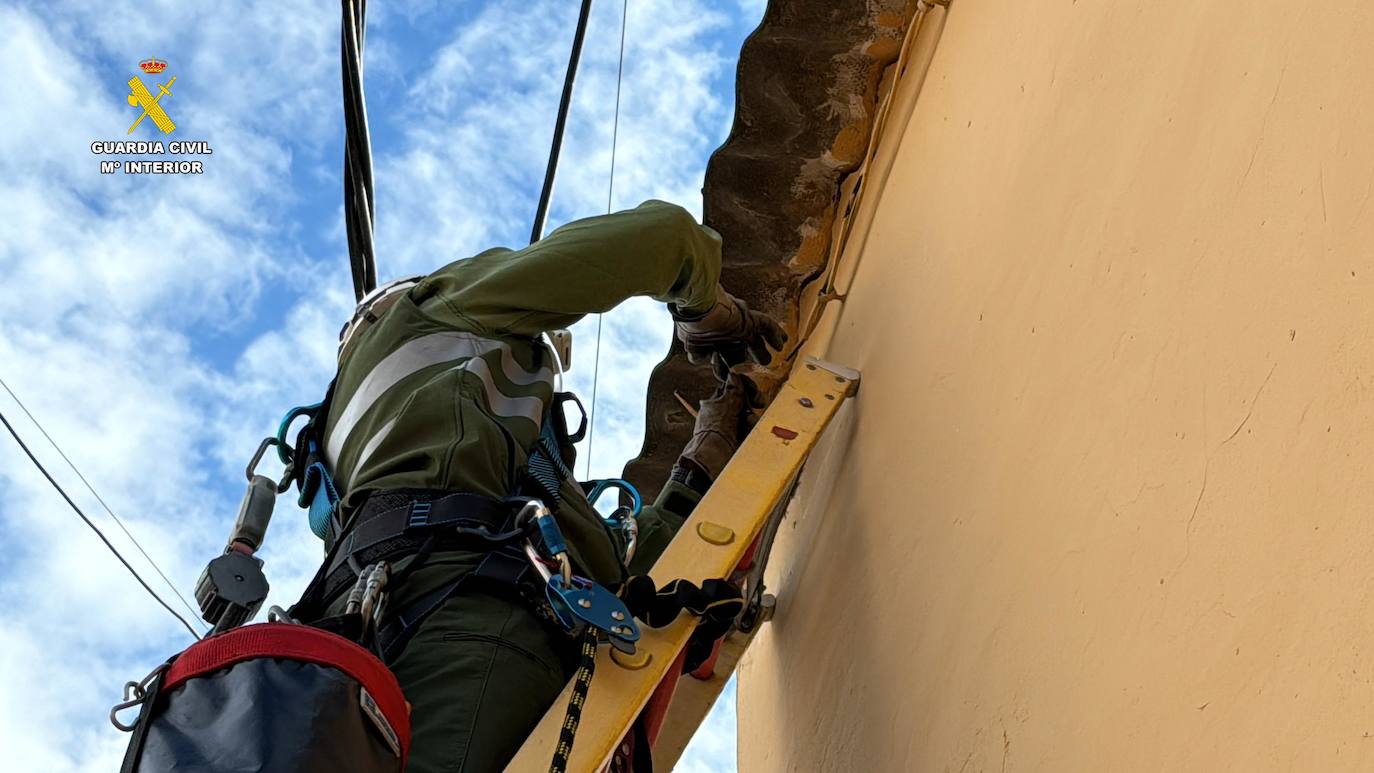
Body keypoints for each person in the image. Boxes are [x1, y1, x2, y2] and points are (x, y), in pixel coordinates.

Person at [292, 199, 785, 772]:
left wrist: (698, 466)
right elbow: (662, 239)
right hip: (471, 625)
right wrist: (712, 314)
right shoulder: (429, 312)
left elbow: (619, 569)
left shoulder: (375, 461)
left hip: (360, 669)